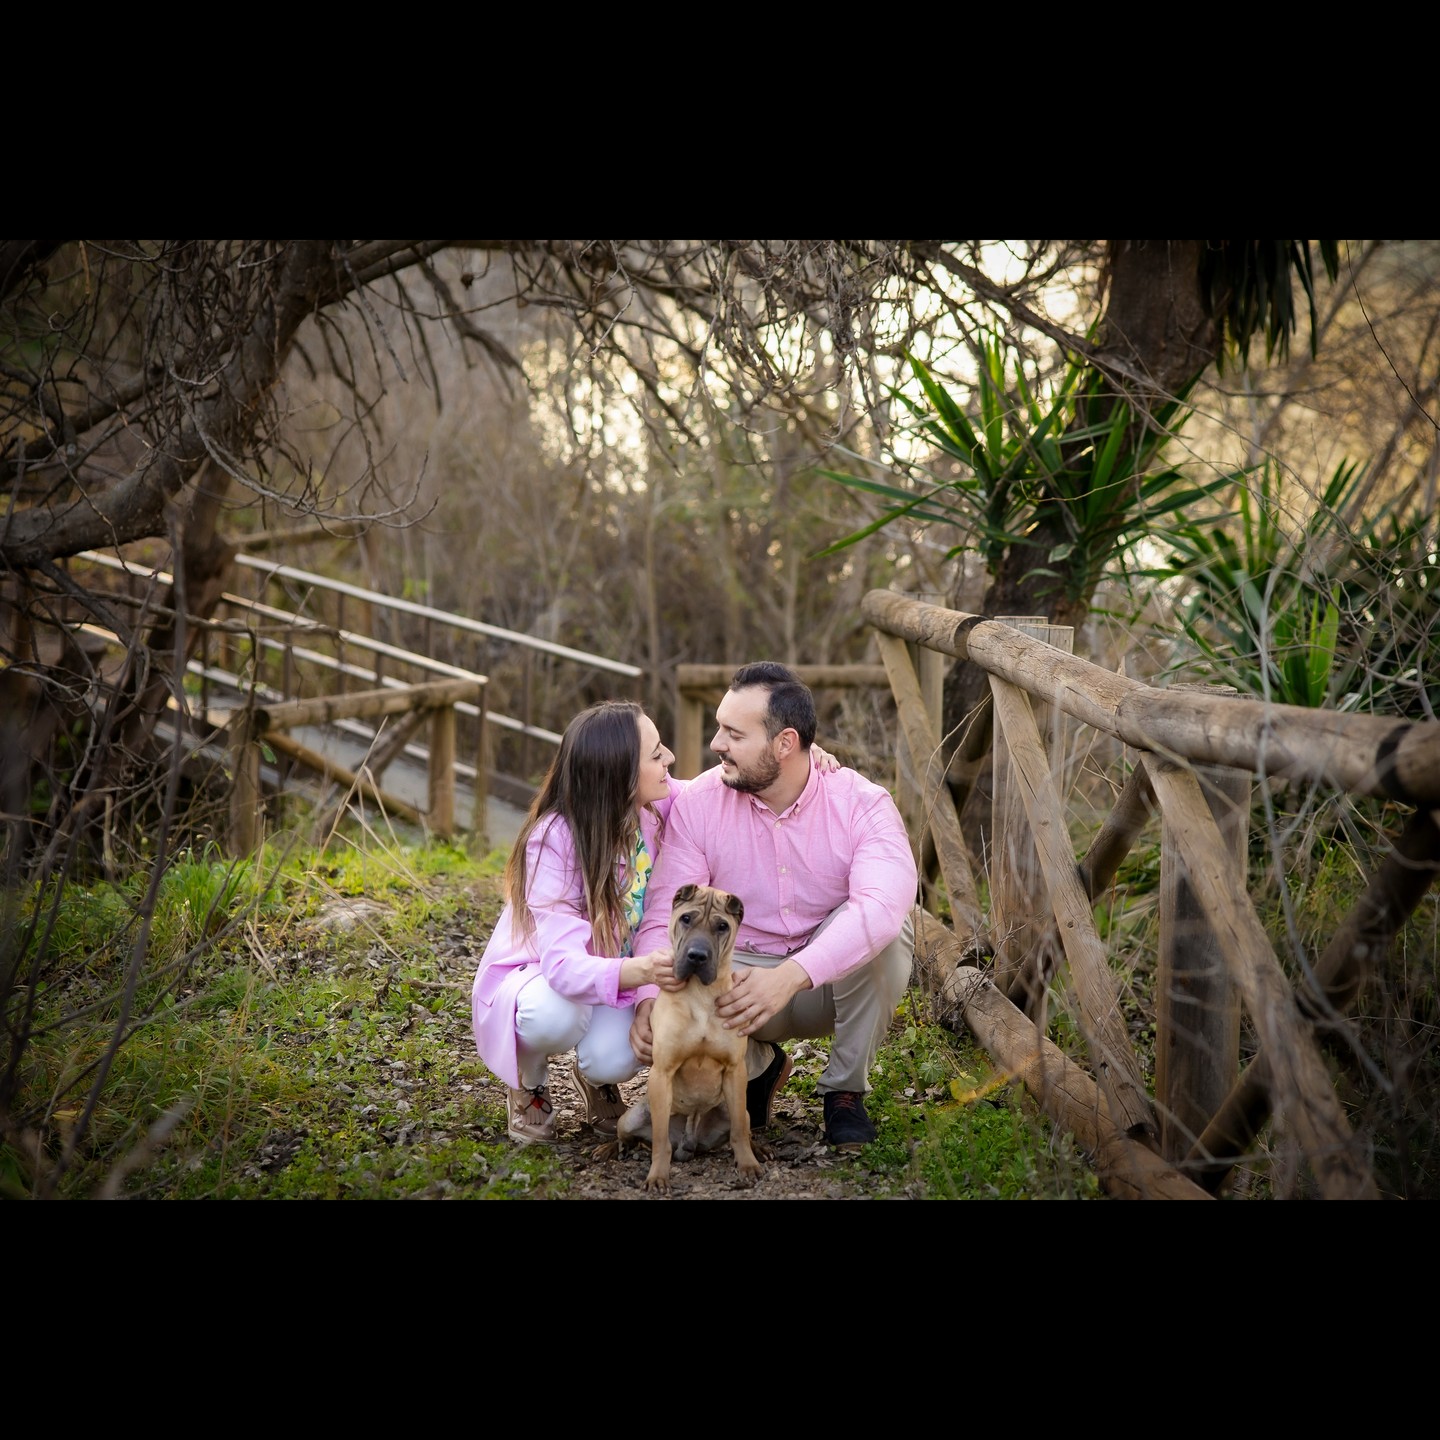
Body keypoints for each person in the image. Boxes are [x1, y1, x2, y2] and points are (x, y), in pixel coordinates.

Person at [471, 696, 840, 1146]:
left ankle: (595, 1079)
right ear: (619, 775)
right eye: (656, 753)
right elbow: (563, 968)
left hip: (614, 974)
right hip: (542, 976)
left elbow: (722, 787)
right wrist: (644, 972)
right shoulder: (554, 839)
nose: (669, 758)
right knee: (554, 1016)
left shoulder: (660, 805)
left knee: (615, 1057)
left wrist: (798, 762)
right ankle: (527, 1083)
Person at [629, 662, 917, 1149]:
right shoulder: (700, 802)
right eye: (719, 727)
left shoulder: (862, 804)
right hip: (734, 983)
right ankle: (756, 1066)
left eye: (733, 734)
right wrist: (647, 1000)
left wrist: (790, 975)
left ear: (785, 744)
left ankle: (844, 1093)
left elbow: (881, 907)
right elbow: (665, 914)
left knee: (888, 938)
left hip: (824, 985)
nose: (716, 743)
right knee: (670, 1134)